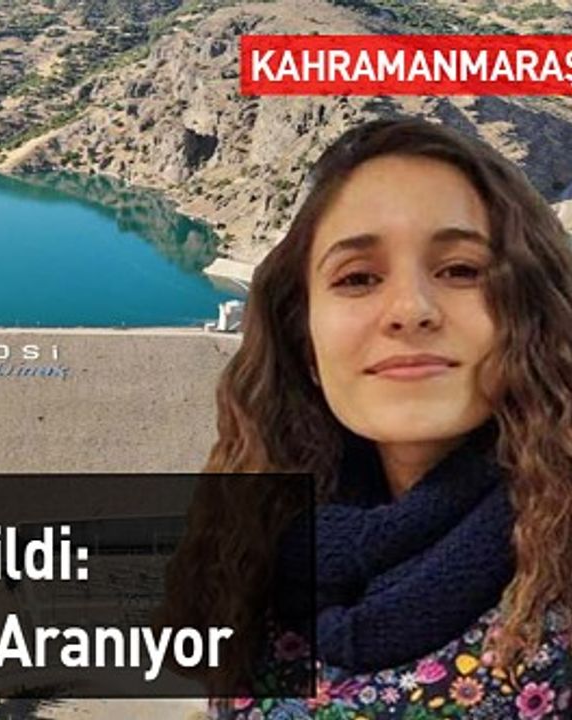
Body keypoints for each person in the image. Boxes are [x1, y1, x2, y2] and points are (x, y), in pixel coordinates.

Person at [167, 117, 572, 717]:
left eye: (461, 270)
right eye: (358, 278)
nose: (410, 309)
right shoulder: (262, 548)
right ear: (305, 344)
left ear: (531, 312)